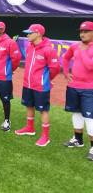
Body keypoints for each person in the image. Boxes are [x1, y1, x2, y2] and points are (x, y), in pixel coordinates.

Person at [14, 24, 60, 147]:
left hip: (41, 86)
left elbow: (55, 68)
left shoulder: (48, 49)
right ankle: (30, 128)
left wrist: (46, 79)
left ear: (38, 33)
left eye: (30, 33)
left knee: (43, 110)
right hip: (28, 84)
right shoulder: (29, 46)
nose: (27, 35)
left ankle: (45, 136)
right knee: (29, 106)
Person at [62, 21, 93, 160]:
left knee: (89, 118)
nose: (83, 34)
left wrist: (83, 50)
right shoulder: (75, 46)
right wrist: (65, 72)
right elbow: (66, 57)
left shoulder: (85, 48)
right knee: (76, 113)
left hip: (89, 89)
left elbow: (89, 66)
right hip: (74, 86)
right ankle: (78, 139)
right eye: (81, 31)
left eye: (86, 31)